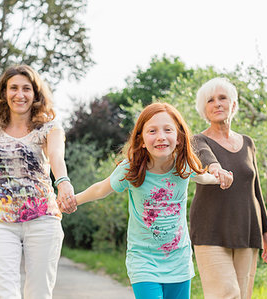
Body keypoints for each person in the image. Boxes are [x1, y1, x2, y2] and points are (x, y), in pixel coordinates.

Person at [73, 102, 232, 299]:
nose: (161, 137)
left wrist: (221, 176)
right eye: (152, 131)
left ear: (179, 137)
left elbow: (204, 177)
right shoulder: (130, 169)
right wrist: (73, 200)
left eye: (168, 130)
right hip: (143, 261)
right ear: (141, 140)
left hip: (178, 261)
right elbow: (101, 189)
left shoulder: (183, 166)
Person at [0, 64, 76, 299]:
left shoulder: (50, 129)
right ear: (4, 93)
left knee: (39, 294)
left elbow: (56, 157)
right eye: (13, 88)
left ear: (36, 94)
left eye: (27, 88)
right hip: (0, 222)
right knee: (2, 293)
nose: (20, 94)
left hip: (43, 220)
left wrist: (64, 182)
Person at [190, 77, 267, 299]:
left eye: (223, 98)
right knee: (226, 293)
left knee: (243, 294)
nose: (217, 104)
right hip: (211, 230)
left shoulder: (248, 143)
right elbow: (205, 158)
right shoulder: (198, 140)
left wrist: (266, 231)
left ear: (234, 105)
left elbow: (255, 189)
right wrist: (216, 168)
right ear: (204, 109)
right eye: (211, 100)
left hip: (248, 230)